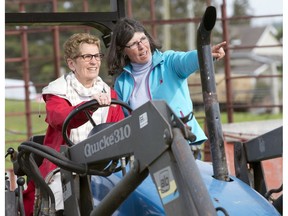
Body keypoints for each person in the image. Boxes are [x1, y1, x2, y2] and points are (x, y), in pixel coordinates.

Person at [23, 33, 125, 216]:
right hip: (63, 165)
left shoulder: (110, 95)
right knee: (60, 194)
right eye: (87, 56)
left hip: (102, 167)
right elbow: (60, 118)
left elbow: (120, 130)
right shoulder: (57, 92)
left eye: (97, 56)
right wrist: (91, 107)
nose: (94, 62)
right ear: (71, 64)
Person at [106, 17, 226, 148]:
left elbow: (187, 60)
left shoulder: (169, 62)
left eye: (143, 39)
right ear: (123, 50)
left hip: (181, 141)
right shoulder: (122, 82)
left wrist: (205, 53)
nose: (141, 46)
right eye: (134, 43)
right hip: (148, 149)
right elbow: (122, 122)